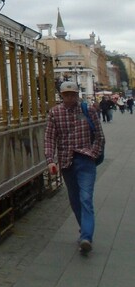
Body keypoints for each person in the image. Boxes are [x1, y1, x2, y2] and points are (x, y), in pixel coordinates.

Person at [45, 80, 105, 254]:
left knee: (86, 198)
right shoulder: (55, 113)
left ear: (77, 95)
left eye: (72, 94)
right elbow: (49, 138)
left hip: (86, 160)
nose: (69, 97)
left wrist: (93, 153)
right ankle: (83, 229)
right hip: (66, 162)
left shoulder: (88, 110)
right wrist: (50, 160)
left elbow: (100, 136)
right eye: (66, 95)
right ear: (61, 95)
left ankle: (86, 237)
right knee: (75, 199)